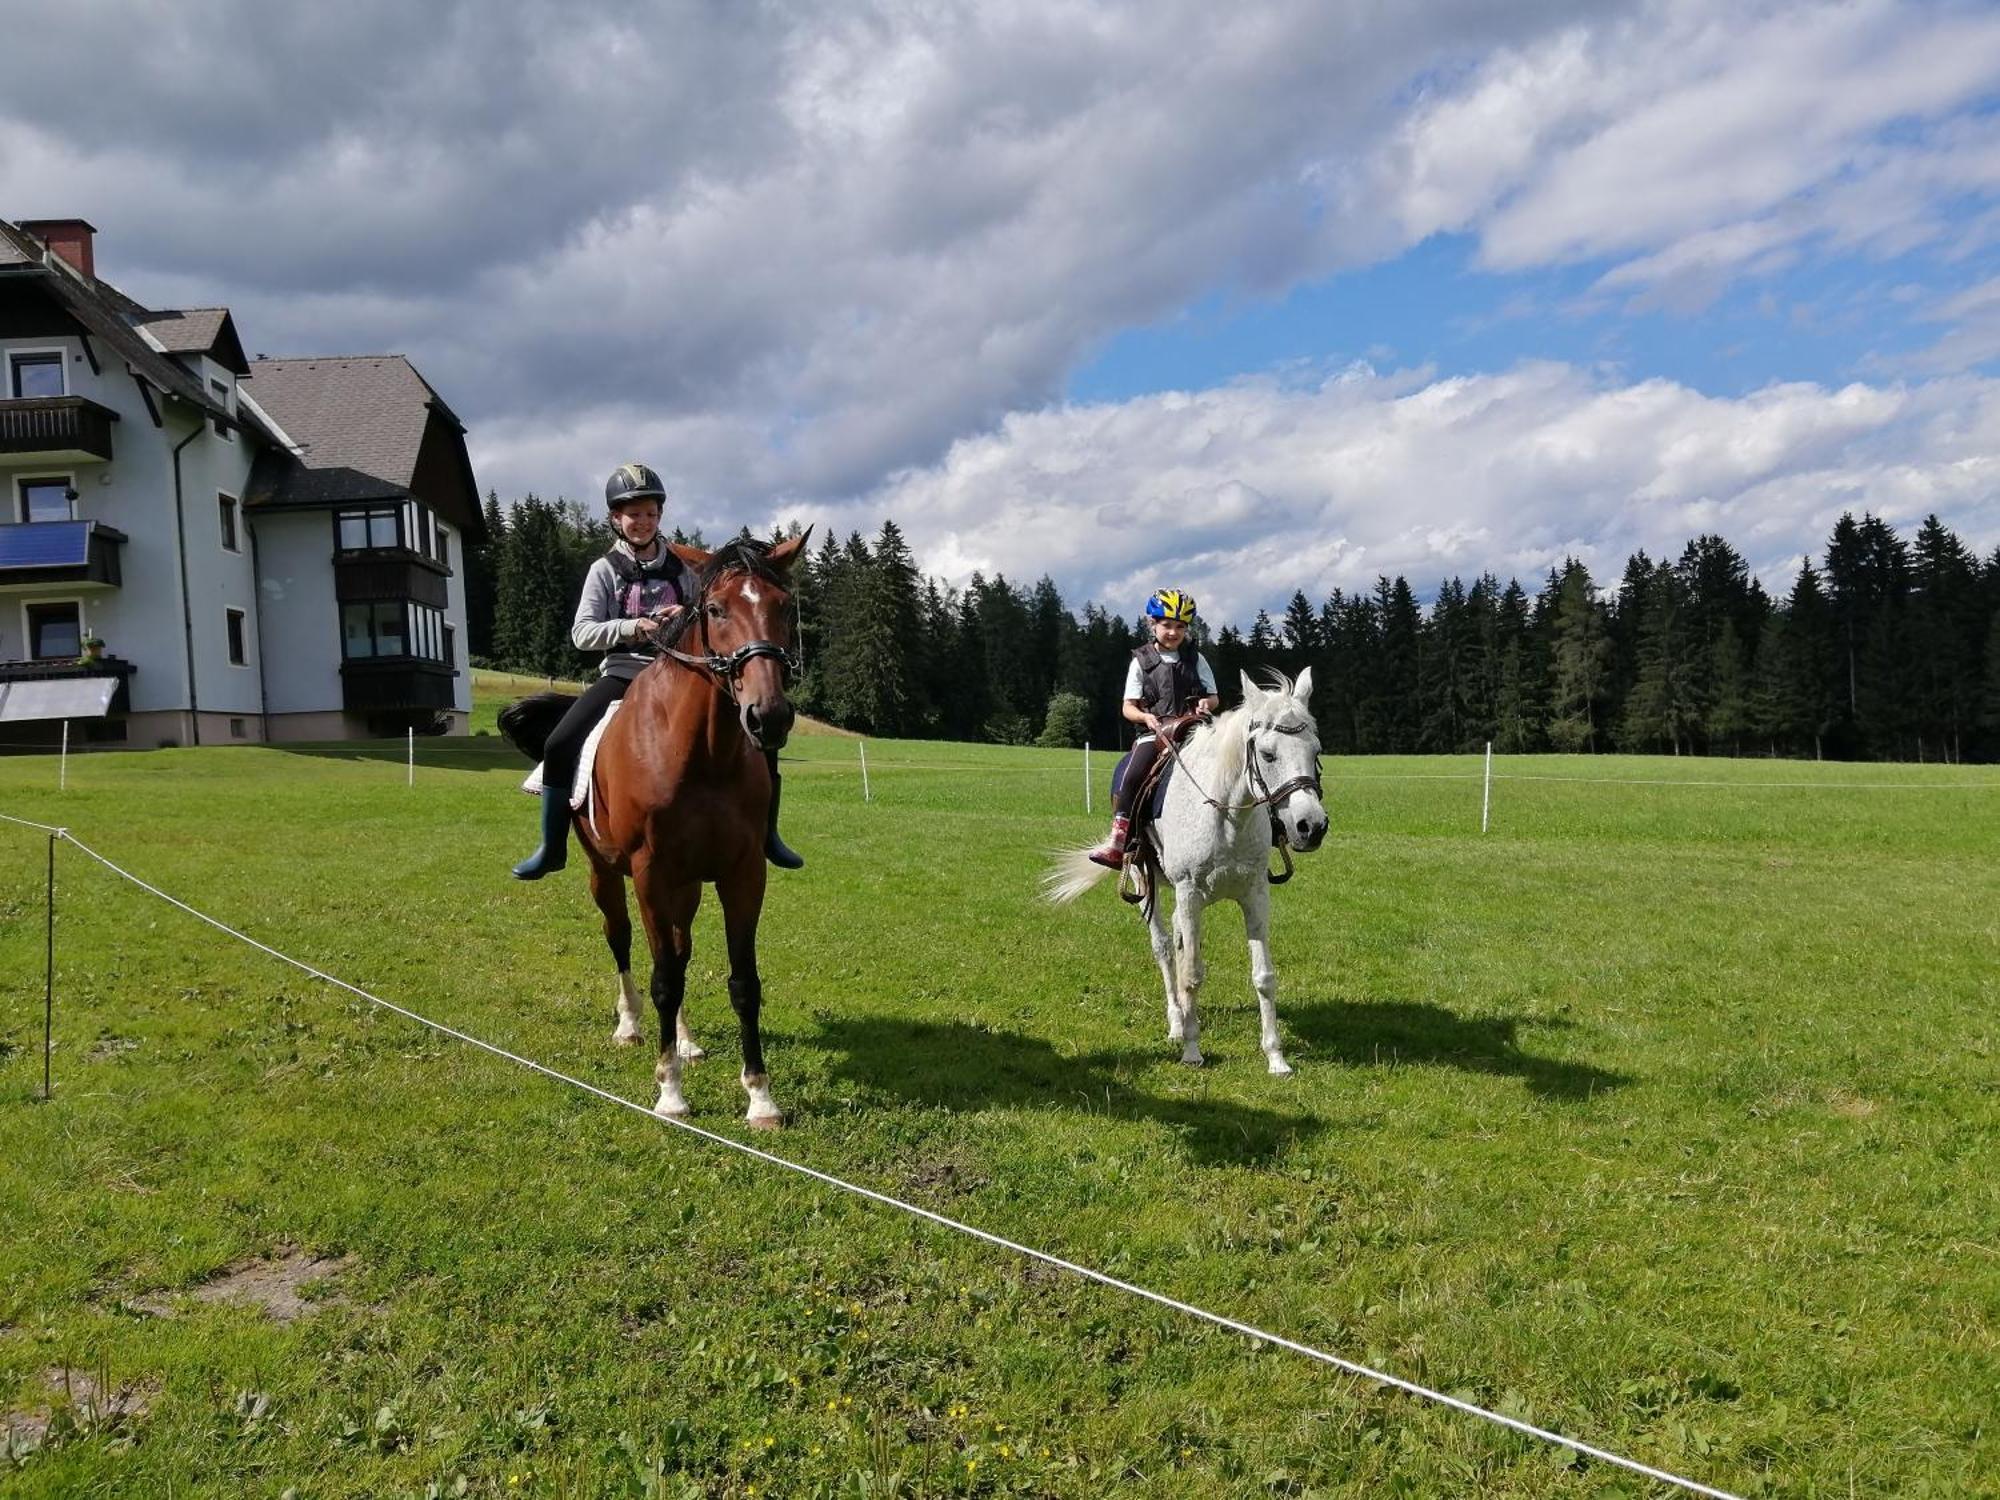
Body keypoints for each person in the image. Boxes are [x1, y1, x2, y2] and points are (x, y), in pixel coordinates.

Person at [512, 462, 804, 878]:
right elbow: (582, 633)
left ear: (660, 516)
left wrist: (682, 611)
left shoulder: (685, 567)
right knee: (559, 743)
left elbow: (710, 613)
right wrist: (633, 626)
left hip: (686, 676)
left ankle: (769, 835)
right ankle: (551, 846)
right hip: (624, 673)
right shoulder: (604, 571)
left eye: (650, 513)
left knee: (765, 737)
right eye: (633, 514)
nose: (642, 522)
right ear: (616, 519)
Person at [1087, 588, 1220, 869]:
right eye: (1167, 625)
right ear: (1153, 624)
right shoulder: (1141, 661)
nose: (1173, 632)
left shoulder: (1197, 659)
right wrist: (1146, 719)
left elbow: (1214, 696)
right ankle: (1119, 839)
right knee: (1132, 776)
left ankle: (1268, 831)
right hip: (1155, 734)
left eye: (1180, 627)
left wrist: (1205, 705)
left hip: (1194, 731)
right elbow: (1128, 707)